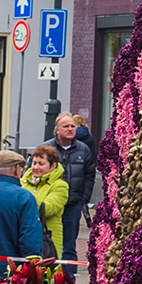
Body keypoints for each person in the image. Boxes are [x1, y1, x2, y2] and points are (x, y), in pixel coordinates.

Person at [0, 151, 47, 280]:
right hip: (11, 275)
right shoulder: (24, 197)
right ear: (17, 169)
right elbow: (29, 240)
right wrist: (33, 269)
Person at [46, 114, 96, 266]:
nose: (70, 129)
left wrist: (84, 198)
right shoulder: (47, 149)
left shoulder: (83, 150)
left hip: (73, 204)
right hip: (52, 205)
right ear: (57, 130)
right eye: (66, 126)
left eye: (72, 126)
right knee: (49, 242)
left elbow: (90, 175)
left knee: (69, 245)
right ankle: (50, 275)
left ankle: (69, 277)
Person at [24, 145, 67, 260]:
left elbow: (48, 209)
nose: (36, 167)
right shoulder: (23, 181)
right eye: (34, 163)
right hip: (25, 237)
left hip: (47, 239)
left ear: (53, 166)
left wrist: (24, 197)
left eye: (41, 164)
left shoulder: (60, 186)